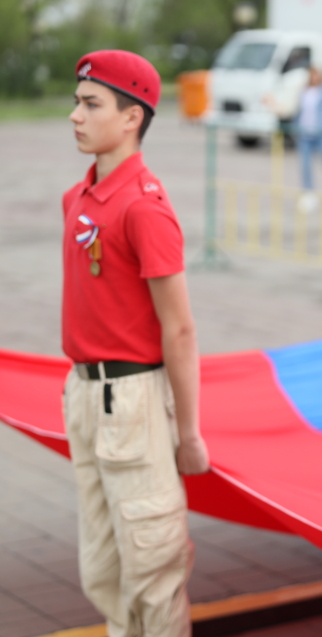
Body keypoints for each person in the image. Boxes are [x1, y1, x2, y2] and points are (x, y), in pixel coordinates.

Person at [65, 50, 209, 637]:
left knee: (152, 569)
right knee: (101, 567)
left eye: (90, 104)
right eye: (77, 102)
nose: (75, 115)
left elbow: (179, 328)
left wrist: (189, 432)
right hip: (83, 392)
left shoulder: (144, 208)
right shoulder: (78, 199)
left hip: (134, 401)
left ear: (131, 118)